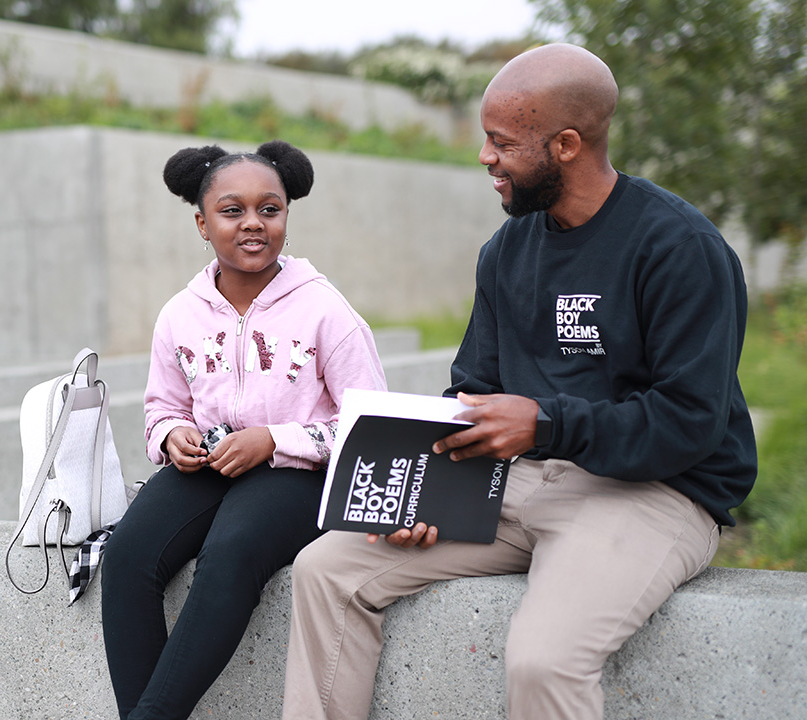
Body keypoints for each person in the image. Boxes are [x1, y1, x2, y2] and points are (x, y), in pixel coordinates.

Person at [281, 43, 757, 720]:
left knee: (545, 657)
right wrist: (426, 492)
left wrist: (547, 423)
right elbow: (473, 390)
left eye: (502, 142)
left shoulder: (678, 246)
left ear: (565, 144)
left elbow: (689, 422)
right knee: (327, 571)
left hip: (655, 492)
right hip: (515, 481)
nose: (485, 158)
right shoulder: (507, 250)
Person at [98, 140, 387, 720]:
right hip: (210, 467)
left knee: (230, 551)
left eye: (270, 209)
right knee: (127, 556)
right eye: (232, 211)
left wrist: (276, 440)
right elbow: (163, 407)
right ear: (202, 224)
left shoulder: (325, 309)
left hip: (302, 474)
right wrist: (172, 437)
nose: (253, 224)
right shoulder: (181, 312)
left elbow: (371, 425)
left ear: (286, 216)